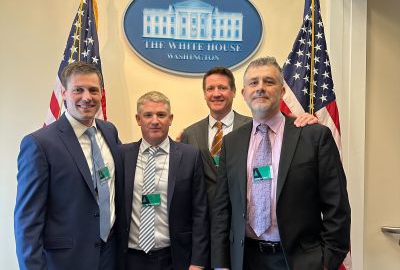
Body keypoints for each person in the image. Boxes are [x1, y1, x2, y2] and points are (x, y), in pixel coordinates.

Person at [211, 57, 351, 270]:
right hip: (244, 259)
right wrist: (221, 264)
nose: (260, 88)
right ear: (244, 93)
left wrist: (326, 261)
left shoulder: (313, 136)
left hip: (298, 261)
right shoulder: (232, 142)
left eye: (269, 82)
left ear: (283, 90)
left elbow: (337, 206)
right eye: (253, 83)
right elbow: (222, 209)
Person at [14, 61, 122, 270]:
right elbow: (27, 221)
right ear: (63, 92)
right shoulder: (40, 144)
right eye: (78, 90)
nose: (87, 97)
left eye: (93, 90)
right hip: (65, 262)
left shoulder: (110, 132)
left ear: (102, 93)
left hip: (110, 257)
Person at [180, 66, 317, 210]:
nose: (216, 94)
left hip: (243, 215)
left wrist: (303, 119)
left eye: (222, 88)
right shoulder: (190, 134)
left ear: (234, 92)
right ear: (204, 93)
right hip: (204, 217)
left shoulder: (256, 127)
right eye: (210, 89)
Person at [118, 91, 209, 270]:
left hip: (175, 257)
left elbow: (200, 212)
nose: (154, 121)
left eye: (161, 115)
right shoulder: (122, 155)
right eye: (148, 115)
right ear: (138, 119)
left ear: (170, 118)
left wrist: (198, 262)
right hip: (131, 259)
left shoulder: (190, 156)